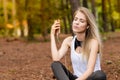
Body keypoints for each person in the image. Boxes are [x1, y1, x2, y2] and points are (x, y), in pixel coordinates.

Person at [50, 7, 106, 80]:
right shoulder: (69, 41)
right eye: (75, 19)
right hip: (76, 78)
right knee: (55, 64)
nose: (77, 22)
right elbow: (56, 58)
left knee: (100, 74)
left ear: (88, 26)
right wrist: (52, 35)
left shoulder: (93, 42)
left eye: (81, 21)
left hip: (90, 78)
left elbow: (90, 70)